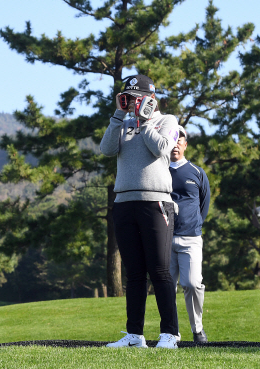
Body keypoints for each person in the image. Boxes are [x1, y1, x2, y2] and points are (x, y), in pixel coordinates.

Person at [100, 75, 180, 349]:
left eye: (137, 96)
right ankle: (134, 335)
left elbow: (162, 148)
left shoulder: (167, 120)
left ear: (150, 98)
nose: (132, 100)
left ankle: (170, 334)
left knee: (159, 270)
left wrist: (144, 120)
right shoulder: (123, 122)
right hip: (124, 202)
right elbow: (106, 149)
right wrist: (118, 115)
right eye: (129, 96)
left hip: (156, 202)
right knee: (134, 273)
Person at [169, 126, 210, 342]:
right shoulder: (158, 171)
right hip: (163, 239)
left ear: (185, 144)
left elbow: (204, 204)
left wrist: (193, 224)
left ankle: (197, 330)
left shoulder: (197, 172)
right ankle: (171, 332)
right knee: (166, 287)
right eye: (172, 138)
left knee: (192, 283)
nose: (175, 143)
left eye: (180, 139)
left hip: (191, 238)